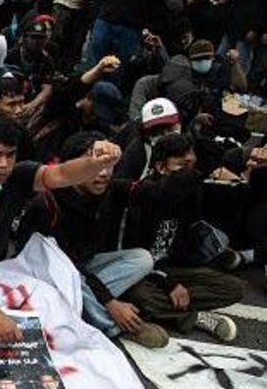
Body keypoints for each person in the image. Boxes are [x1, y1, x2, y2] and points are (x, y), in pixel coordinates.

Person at [0, 114, 123, 343]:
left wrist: (96, 163)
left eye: (10, 155)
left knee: (53, 307)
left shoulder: (18, 176)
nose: (4, 164)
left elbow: (61, 174)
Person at [20, 132, 171, 348]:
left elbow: (150, 192)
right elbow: (66, 265)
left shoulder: (110, 191)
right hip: (45, 277)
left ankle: (81, 309)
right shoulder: (48, 203)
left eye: (108, 165)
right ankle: (114, 325)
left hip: (83, 270)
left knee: (142, 259)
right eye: (94, 165)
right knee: (73, 277)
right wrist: (110, 303)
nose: (103, 174)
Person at [119, 134, 245, 341]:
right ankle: (191, 317)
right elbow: (131, 255)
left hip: (169, 268)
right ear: (161, 168)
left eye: (191, 166)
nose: (189, 175)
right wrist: (169, 283)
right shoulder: (143, 196)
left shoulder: (189, 195)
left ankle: (163, 310)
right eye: (182, 166)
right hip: (139, 271)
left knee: (233, 288)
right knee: (140, 295)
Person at [115, 97, 183, 179]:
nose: (166, 136)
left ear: (179, 124)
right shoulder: (137, 151)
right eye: (157, 131)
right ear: (146, 133)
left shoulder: (192, 144)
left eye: (170, 129)